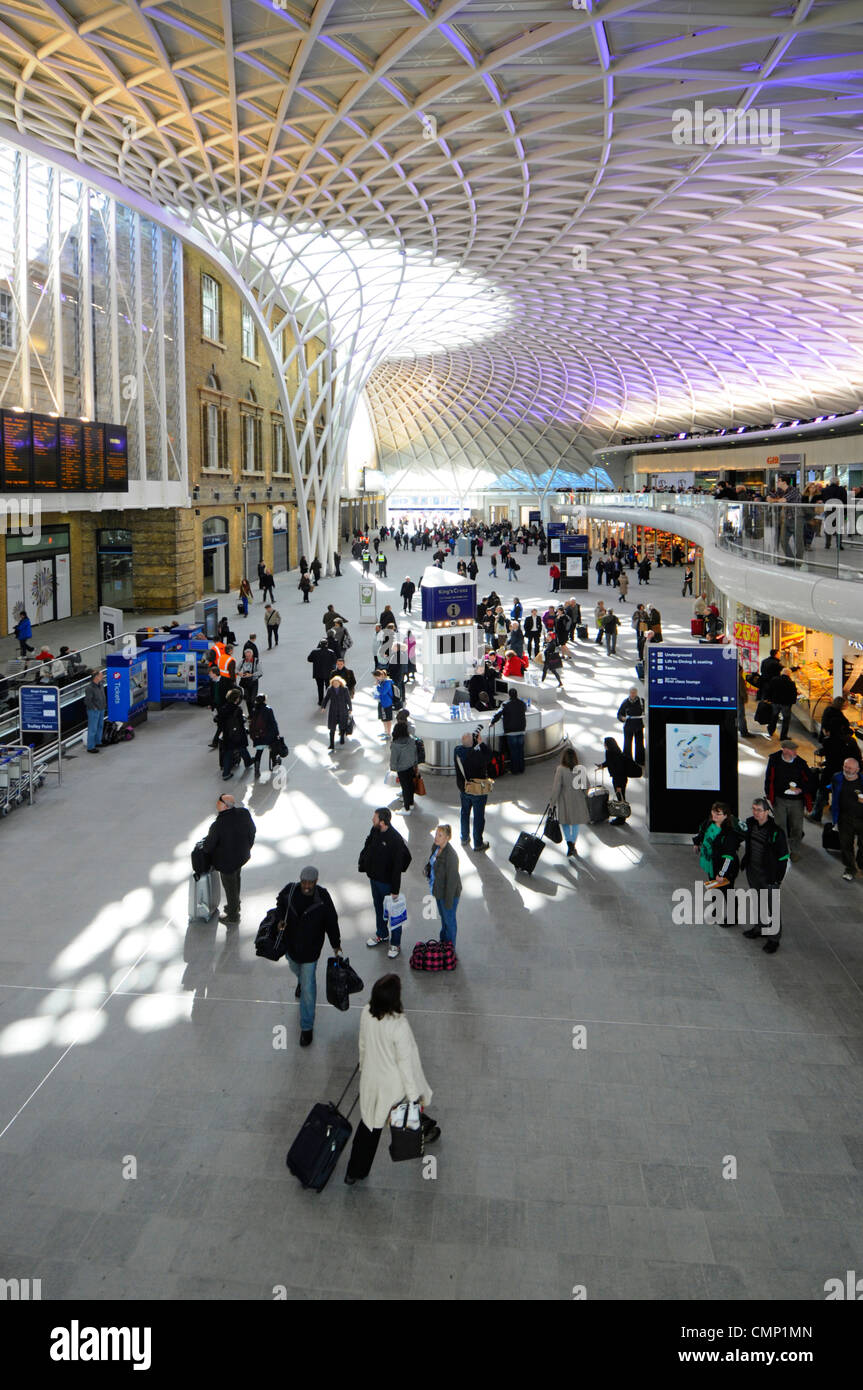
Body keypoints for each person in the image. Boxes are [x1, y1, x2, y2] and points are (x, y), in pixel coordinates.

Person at [344, 974, 435, 1185]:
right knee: (402, 1115)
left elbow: (363, 1045)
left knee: (368, 1127)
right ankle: (426, 1131)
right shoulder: (399, 1025)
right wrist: (414, 1096)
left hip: (370, 1080)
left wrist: (364, 1066)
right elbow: (406, 1063)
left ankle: (354, 1172)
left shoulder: (366, 1012)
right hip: (392, 1086)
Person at [274, 866, 342, 1046]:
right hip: (292, 948)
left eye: (310, 883)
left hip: (311, 951)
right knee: (294, 967)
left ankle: (306, 1028)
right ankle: (301, 982)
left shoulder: (323, 898)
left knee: (309, 989)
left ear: (316, 882)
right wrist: (281, 919)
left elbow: (331, 922)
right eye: (304, 882)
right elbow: (280, 904)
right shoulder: (290, 891)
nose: (306, 886)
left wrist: (336, 945)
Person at [359, 808, 411, 956]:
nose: (372, 820)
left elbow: (397, 867)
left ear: (382, 821)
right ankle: (382, 934)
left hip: (387, 883)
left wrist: (395, 889)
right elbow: (368, 843)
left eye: (374, 818)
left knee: (394, 913)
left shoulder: (395, 839)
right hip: (374, 879)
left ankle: (395, 944)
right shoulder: (375, 830)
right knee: (379, 908)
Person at [740, 801, 789, 955]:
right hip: (753, 871)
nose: (756, 813)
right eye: (754, 809)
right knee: (757, 901)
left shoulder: (776, 832)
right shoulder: (750, 824)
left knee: (772, 907)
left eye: (759, 810)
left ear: (767, 811)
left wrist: (777, 879)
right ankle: (759, 928)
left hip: (769, 876)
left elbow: (783, 858)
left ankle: (774, 939)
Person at [202, 792, 256, 928]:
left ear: (225, 806)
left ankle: (233, 915)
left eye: (219, 801)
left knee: (230, 886)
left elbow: (208, 847)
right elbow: (252, 830)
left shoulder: (218, 825)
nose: (217, 803)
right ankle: (235, 905)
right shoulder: (243, 813)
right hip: (241, 856)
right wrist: (247, 846)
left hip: (227, 862)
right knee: (236, 879)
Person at [692, 803, 744, 919]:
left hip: (725, 869)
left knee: (727, 891)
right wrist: (696, 842)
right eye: (713, 812)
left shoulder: (729, 834)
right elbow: (702, 833)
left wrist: (721, 873)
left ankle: (732, 917)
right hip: (711, 864)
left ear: (726, 816)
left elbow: (728, 857)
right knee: (714, 887)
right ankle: (716, 908)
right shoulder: (709, 823)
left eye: (718, 813)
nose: (714, 815)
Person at [764, 740, 812, 861]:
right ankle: (782, 850)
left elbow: (811, 780)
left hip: (797, 801)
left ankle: (795, 850)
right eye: (792, 750)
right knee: (780, 826)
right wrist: (769, 796)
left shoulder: (800, 763)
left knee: (796, 826)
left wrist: (801, 789)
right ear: (784, 750)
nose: (795, 752)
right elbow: (769, 778)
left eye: (795, 750)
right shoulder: (774, 760)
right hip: (780, 799)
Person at [454, 730, 491, 850]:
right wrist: (481, 743)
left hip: (464, 788)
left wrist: (473, 744)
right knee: (478, 816)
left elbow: (466, 748)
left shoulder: (457, 751)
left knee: (465, 812)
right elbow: (489, 756)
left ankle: (464, 837)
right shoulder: (477, 755)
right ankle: (478, 843)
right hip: (477, 790)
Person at [551, 746, 590, 856]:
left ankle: (569, 843)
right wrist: (583, 794)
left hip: (564, 799)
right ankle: (573, 843)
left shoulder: (560, 769)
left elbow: (556, 787)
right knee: (575, 823)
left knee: (565, 822)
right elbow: (587, 785)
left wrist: (552, 802)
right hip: (578, 799)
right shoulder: (580, 769)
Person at [831, 756, 863, 882]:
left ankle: (861, 864)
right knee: (846, 845)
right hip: (844, 818)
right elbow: (834, 795)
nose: (847, 770)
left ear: (857, 769)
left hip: (861, 819)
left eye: (850, 768)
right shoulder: (837, 778)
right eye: (845, 766)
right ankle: (850, 868)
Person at [597, 737, 639, 824]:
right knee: (620, 797)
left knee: (621, 798)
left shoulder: (615, 755)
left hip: (620, 779)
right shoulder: (610, 752)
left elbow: (619, 770)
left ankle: (621, 818)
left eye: (605, 744)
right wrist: (601, 765)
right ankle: (621, 817)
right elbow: (608, 762)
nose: (604, 745)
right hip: (617, 778)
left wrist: (619, 785)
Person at [216, 688, 254, 780]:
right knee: (242, 749)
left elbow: (219, 722)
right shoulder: (238, 709)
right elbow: (241, 722)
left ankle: (226, 773)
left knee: (228, 753)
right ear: (236, 699)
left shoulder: (222, 709)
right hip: (238, 734)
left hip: (227, 735)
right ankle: (248, 762)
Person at [490, 688, 527, 774]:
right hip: (521, 730)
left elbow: (498, 714)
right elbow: (524, 709)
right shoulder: (522, 703)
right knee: (520, 750)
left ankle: (515, 770)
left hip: (511, 731)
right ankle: (521, 768)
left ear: (509, 695)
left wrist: (492, 722)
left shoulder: (505, 704)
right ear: (516, 694)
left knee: (513, 751)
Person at [249, 694, 281, 776]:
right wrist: (277, 733)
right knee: (273, 748)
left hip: (258, 736)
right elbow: (273, 723)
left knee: (258, 752)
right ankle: (274, 762)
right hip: (268, 736)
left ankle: (256, 769)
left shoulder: (254, 710)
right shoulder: (268, 709)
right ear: (264, 700)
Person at [390, 722, 419, 811]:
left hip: (401, 769)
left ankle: (406, 807)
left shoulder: (395, 745)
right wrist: (415, 764)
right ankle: (411, 802)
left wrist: (393, 768)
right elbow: (415, 754)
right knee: (410, 785)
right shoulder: (411, 740)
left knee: (405, 787)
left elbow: (393, 759)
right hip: (411, 766)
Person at [766, 667, 797, 740]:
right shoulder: (791, 683)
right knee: (786, 720)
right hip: (786, 704)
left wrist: (768, 699)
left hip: (775, 702)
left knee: (774, 717)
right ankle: (783, 736)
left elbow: (769, 689)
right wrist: (792, 703)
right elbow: (793, 694)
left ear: (781, 673)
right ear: (789, 674)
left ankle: (771, 730)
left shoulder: (774, 680)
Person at [323, 675, 352, 750]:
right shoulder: (330, 689)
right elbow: (326, 698)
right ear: (332, 683)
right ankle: (331, 744)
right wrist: (323, 707)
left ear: (340, 683)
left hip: (342, 710)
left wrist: (350, 708)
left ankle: (342, 737)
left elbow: (348, 699)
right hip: (333, 711)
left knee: (342, 726)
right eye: (334, 683)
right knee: (332, 728)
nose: (335, 684)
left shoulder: (345, 689)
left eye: (337, 683)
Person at [617, 687, 645, 764]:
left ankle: (640, 761)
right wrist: (622, 718)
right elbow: (619, 714)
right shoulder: (625, 702)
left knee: (639, 744)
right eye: (631, 693)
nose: (633, 694)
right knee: (627, 744)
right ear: (629, 693)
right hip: (628, 726)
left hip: (638, 726)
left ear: (636, 693)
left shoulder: (641, 701)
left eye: (634, 692)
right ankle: (627, 761)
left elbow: (646, 711)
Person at [84, 669, 107, 753]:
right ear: (96, 677)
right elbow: (87, 701)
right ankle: (90, 747)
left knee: (100, 726)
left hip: (101, 708)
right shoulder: (89, 688)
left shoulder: (100, 685)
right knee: (92, 728)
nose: (102, 677)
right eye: (101, 675)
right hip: (94, 710)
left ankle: (98, 741)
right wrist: (94, 708)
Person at [308, 638, 336, 706]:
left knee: (320, 687)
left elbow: (309, 659)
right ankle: (329, 698)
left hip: (318, 673)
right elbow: (334, 661)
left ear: (320, 644)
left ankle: (320, 701)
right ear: (327, 644)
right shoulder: (331, 652)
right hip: (328, 672)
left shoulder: (314, 651)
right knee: (328, 686)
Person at [238, 646, 261, 715]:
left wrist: (251, 674)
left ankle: (254, 715)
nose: (248, 657)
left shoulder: (256, 661)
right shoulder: (242, 661)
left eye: (249, 656)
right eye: (246, 656)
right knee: (247, 700)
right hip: (246, 683)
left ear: (252, 655)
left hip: (254, 682)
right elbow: (236, 669)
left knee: (252, 700)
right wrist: (239, 673)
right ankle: (250, 715)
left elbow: (260, 672)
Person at [375, 669, 396, 740]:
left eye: (377, 677)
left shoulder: (387, 683)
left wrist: (377, 686)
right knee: (383, 718)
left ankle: (388, 733)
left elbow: (383, 692)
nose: (376, 679)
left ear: (381, 676)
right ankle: (386, 731)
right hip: (382, 702)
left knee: (388, 719)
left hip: (387, 703)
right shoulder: (382, 682)